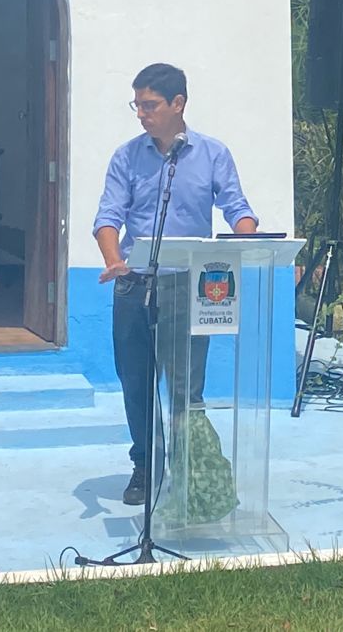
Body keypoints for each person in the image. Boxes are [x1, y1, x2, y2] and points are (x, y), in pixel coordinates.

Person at [94, 63, 257, 506]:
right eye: (137, 105)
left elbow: (237, 207)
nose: (141, 114)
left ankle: (191, 472)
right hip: (134, 284)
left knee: (187, 388)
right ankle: (146, 465)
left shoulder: (213, 154)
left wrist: (251, 242)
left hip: (190, 287)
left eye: (150, 105)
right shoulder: (127, 156)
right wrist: (113, 260)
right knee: (137, 384)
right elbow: (108, 216)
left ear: (178, 103)